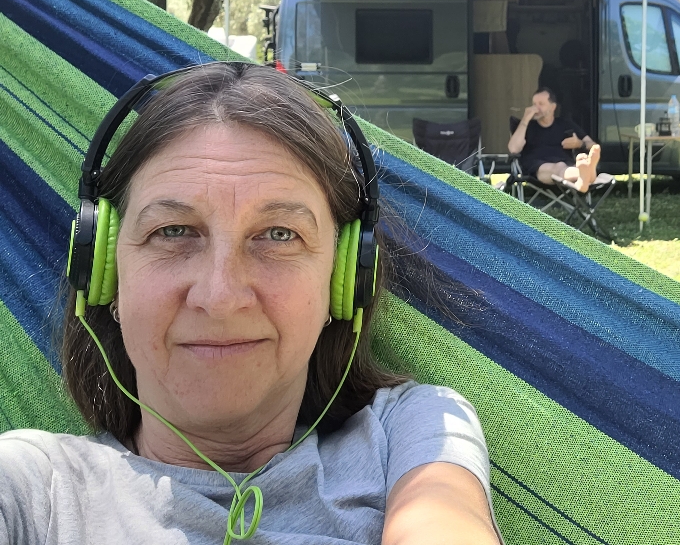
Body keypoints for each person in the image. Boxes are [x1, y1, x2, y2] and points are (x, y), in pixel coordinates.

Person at [0, 62, 501, 545]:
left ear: (345, 278)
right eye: (172, 231)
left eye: (279, 235)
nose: (220, 297)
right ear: (105, 275)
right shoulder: (29, 489)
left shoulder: (413, 435)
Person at [506, 87, 601, 193]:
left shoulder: (565, 124)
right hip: (538, 168)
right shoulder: (526, 127)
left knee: (566, 166)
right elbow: (513, 149)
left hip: (567, 164)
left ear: (552, 107)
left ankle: (584, 176)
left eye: (541, 104)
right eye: (534, 104)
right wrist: (525, 119)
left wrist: (580, 143)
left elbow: (593, 146)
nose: (536, 108)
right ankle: (587, 174)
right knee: (559, 167)